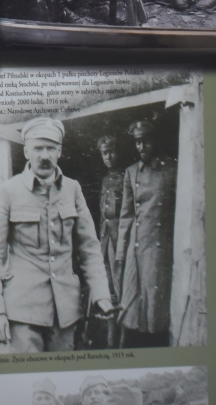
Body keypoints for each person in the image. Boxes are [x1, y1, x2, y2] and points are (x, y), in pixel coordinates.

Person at [0, 117, 113, 353]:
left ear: (59, 151)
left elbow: (90, 249)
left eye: (51, 148)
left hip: (65, 314)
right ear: (26, 152)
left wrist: (101, 294)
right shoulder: (8, 192)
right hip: (21, 313)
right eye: (38, 148)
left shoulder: (73, 189)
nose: (44, 155)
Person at [115, 118, 178, 348]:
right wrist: (120, 254)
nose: (142, 147)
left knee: (154, 307)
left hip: (158, 247)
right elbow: (126, 216)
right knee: (132, 305)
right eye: (137, 142)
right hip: (136, 247)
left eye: (146, 141)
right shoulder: (131, 173)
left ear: (155, 141)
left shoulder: (170, 169)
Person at [95, 133, 126, 344]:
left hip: (119, 242)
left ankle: (123, 338)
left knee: (121, 288)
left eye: (111, 152)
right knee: (109, 289)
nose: (108, 157)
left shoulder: (126, 178)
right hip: (106, 241)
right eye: (104, 153)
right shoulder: (106, 180)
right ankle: (111, 337)